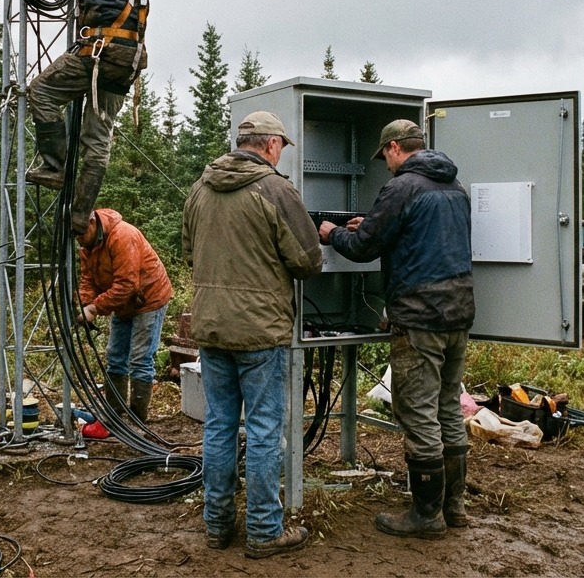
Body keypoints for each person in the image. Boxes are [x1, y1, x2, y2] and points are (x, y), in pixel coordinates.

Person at [319, 119, 475, 540]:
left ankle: (426, 516)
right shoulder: (455, 187)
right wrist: (368, 225)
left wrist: (333, 233)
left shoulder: (401, 187)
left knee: (418, 411)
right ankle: (454, 507)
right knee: (447, 407)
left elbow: (363, 248)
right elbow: (421, 239)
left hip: (419, 316)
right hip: (458, 313)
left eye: (384, 157)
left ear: (393, 148)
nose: (384, 165)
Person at [182, 111, 324, 559]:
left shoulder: (200, 189)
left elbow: (188, 251)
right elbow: (307, 260)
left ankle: (217, 525)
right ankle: (264, 531)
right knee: (264, 430)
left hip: (211, 326)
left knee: (220, 426)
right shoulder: (276, 190)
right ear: (268, 145)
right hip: (261, 332)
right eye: (282, 144)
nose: (281, 152)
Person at [26, 0, 151, 235]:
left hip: (98, 53)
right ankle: (79, 217)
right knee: (98, 139)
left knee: (42, 92)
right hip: (127, 60)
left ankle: (53, 167)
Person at [77, 208, 174, 422]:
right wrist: (86, 303)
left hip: (148, 298)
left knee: (140, 357)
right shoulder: (87, 245)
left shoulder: (123, 236)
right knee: (115, 355)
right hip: (122, 303)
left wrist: (95, 308)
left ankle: (138, 418)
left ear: (92, 223)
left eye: (82, 235)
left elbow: (127, 284)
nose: (80, 242)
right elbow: (87, 279)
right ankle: (116, 413)